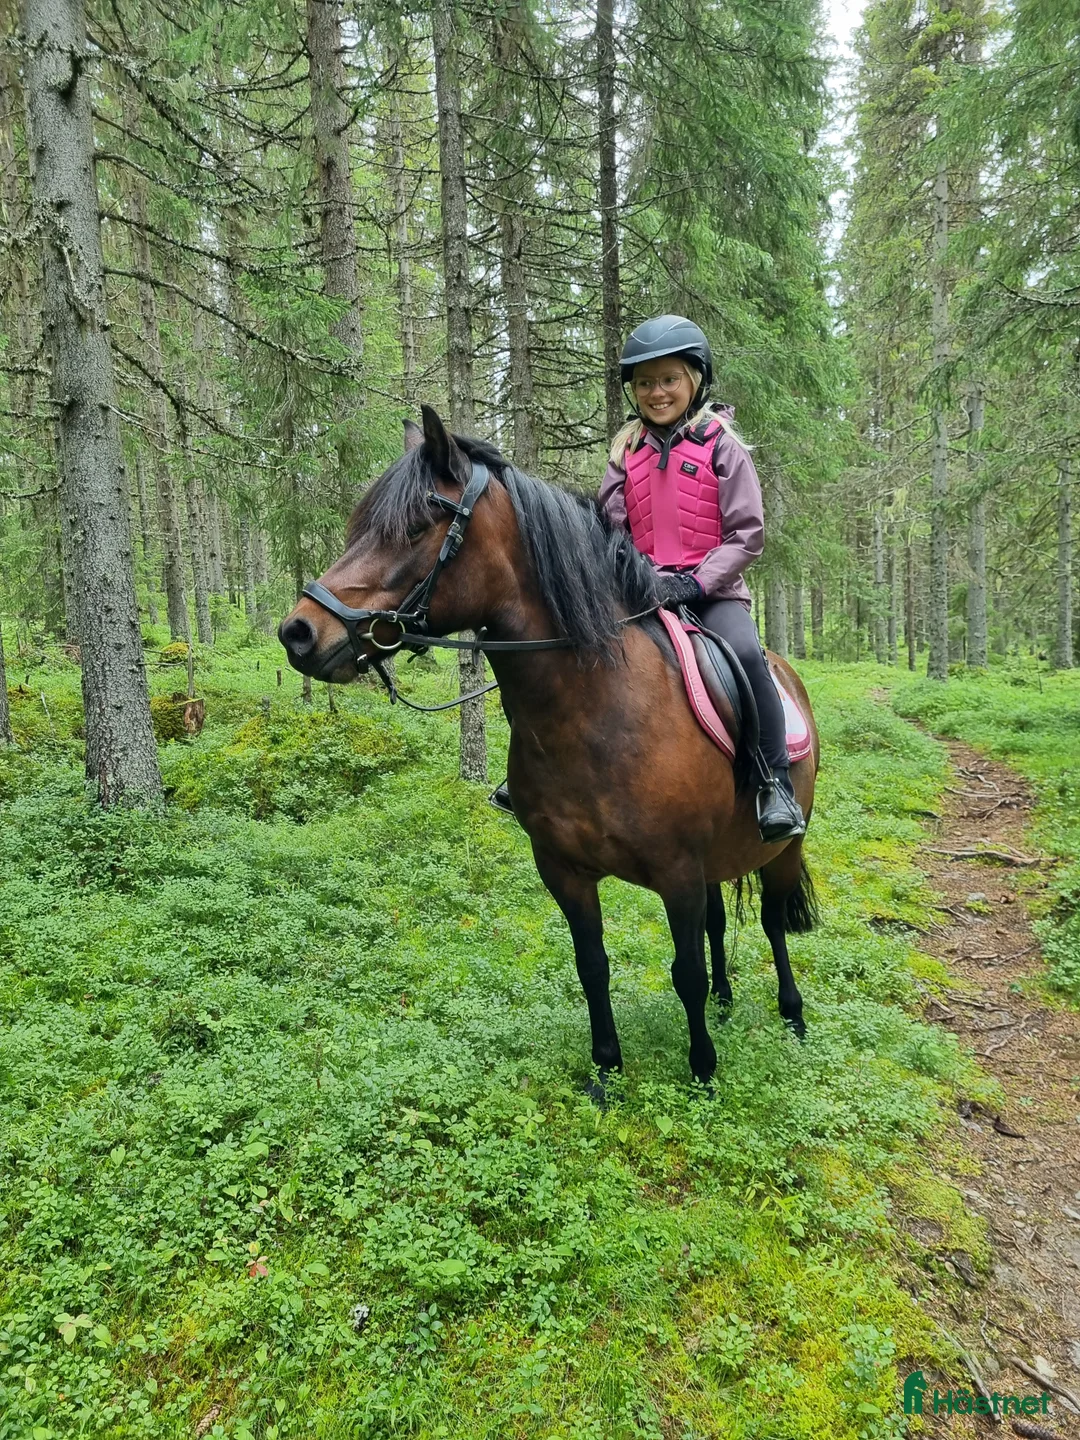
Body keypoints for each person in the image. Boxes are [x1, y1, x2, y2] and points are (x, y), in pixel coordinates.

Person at [491, 313, 805, 844]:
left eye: (668, 379)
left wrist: (696, 583)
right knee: (558, 656)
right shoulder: (624, 453)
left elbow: (747, 534)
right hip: (638, 593)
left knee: (747, 656)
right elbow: (610, 531)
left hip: (712, 593)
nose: (656, 392)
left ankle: (773, 781)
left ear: (695, 380)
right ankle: (534, 768)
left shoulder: (721, 445)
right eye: (644, 382)